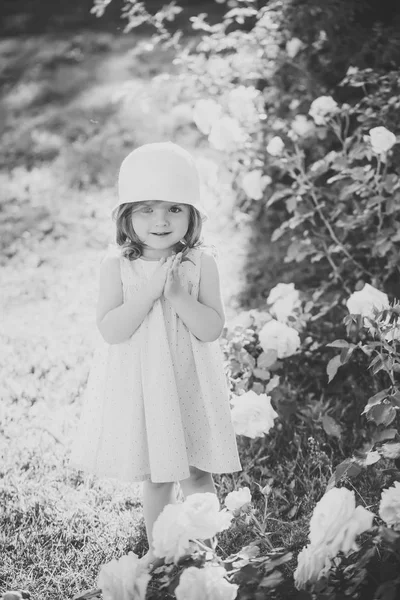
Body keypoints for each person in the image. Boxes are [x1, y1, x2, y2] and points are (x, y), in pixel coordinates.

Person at [68, 141, 242, 571]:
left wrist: (178, 294)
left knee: (198, 470)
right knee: (158, 474)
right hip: (146, 384)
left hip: (188, 379)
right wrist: (148, 292)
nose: (161, 221)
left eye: (174, 209)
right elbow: (112, 330)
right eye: (146, 209)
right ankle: (161, 551)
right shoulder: (117, 266)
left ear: (192, 214)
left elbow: (210, 329)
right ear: (126, 216)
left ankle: (206, 550)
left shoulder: (201, 263)